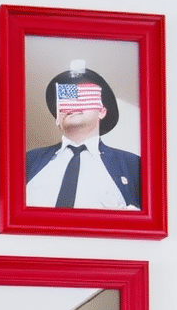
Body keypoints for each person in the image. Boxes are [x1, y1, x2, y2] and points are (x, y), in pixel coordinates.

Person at [25, 61, 141, 210]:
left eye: (83, 97)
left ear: (102, 111)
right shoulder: (29, 161)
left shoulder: (132, 166)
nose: (72, 105)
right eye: (66, 99)